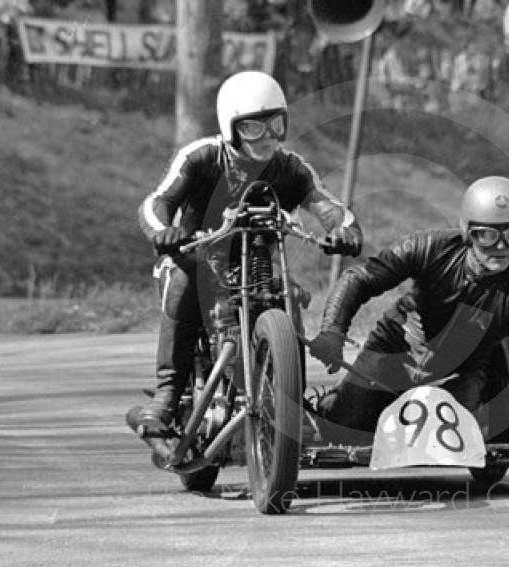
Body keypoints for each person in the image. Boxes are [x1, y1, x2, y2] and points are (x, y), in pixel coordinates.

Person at [309, 176, 509, 459]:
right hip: (394, 352)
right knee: (343, 433)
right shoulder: (428, 248)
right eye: (488, 235)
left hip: (464, 372)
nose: (501, 247)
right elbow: (359, 278)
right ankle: (331, 403)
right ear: (468, 232)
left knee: (439, 446)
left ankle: (503, 406)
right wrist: (333, 330)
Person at [137, 70, 363, 431]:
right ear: (231, 126)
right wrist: (165, 232)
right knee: (181, 278)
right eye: (253, 128)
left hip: (261, 266)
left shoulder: (290, 167)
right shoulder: (202, 156)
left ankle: (293, 402)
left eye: (276, 125)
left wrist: (344, 229)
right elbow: (157, 200)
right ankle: (168, 392)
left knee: (287, 296)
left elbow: (329, 205)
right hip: (198, 258)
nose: (267, 137)